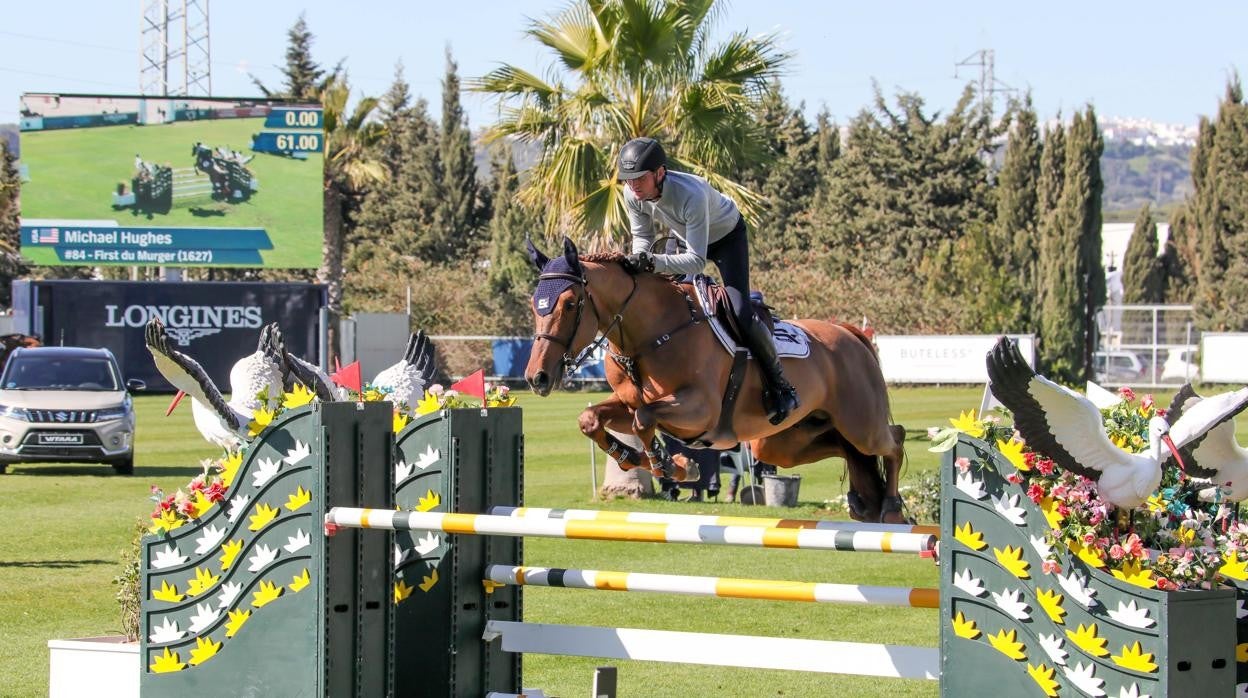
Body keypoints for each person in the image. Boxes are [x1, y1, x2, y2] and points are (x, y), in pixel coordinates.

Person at [615, 136, 799, 425]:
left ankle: (781, 386)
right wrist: (640, 258)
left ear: (659, 173)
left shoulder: (691, 194)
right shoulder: (632, 195)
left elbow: (697, 261)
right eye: (628, 179)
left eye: (639, 178)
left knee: (739, 312)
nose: (633, 185)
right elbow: (643, 237)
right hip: (686, 238)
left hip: (726, 238)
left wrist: (654, 262)